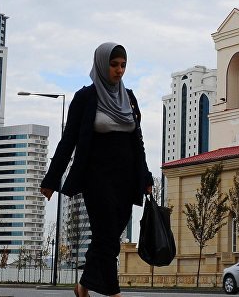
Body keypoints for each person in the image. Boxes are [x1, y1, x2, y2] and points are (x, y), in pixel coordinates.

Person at [40, 43, 153, 297]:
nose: (119, 70)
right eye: (114, 65)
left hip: (126, 179)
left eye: (123, 65)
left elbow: (138, 142)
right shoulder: (85, 98)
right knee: (106, 233)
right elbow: (68, 140)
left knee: (110, 237)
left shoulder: (130, 98)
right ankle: (113, 292)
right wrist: (51, 179)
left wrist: (145, 176)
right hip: (97, 178)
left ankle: (83, 286)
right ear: (102, 65)